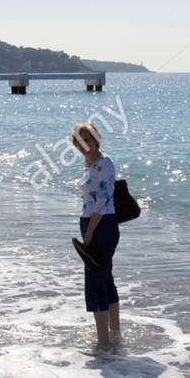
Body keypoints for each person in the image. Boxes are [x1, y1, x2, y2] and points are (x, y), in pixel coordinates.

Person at [72, 120, 121, 347]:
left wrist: (90, 232)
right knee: (105, 278)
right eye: (80, 140)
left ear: (96, 139)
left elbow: (103, 200)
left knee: (95, 282)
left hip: (102, 225)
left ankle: (103, 343)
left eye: (88, 138)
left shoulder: (104, 163)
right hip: (92, 224)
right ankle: (114, 336)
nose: (84, 144)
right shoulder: (89, 166)